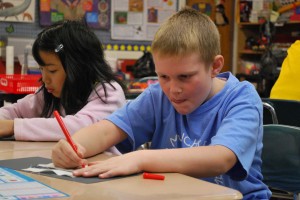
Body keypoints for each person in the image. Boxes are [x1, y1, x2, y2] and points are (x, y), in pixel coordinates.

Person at [52, 7, 271, 199]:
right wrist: (74, 146)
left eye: (185, 77)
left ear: (215, 66)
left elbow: (221, 158)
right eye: (163, 77)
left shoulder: (242, 98)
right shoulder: (158, 95)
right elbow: (106, 131)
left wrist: (141, 158)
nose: (173, 89)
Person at [0, 19, 127, 141]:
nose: (45, 79)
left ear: (78, 67)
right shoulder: (50, 94)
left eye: (52, 71)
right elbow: (15, 111)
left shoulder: (108, 92)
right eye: (41, 70)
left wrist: (13, 126)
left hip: (103, 162)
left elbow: (82, 128)